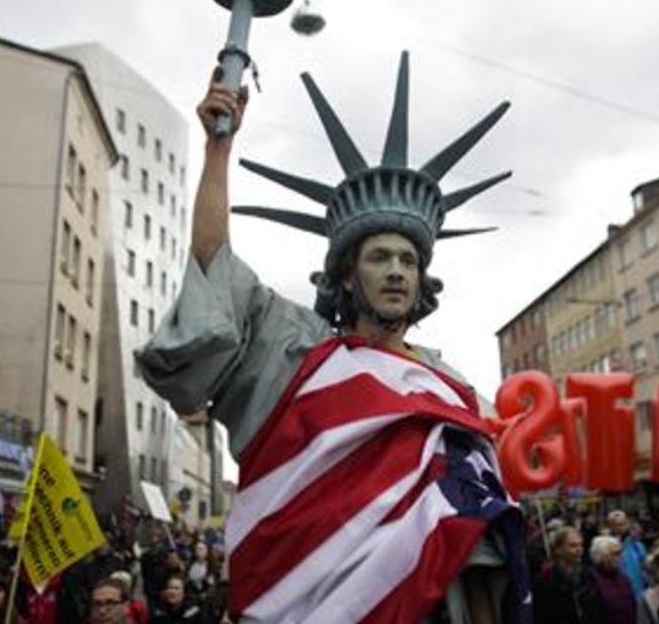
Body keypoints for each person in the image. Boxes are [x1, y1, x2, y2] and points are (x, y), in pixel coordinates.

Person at [136, 54, 525, 624]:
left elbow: (480, 539)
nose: (396, 270)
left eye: (408, 261)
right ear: (348, 273)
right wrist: (218, 153)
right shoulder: (298, 353)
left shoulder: (451, 389)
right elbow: (213, 268)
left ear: (421, 279)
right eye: (379, 257)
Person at [533, 528, 601, 623]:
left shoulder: (587, 574)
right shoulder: (545, 580)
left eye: (581, 545)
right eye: (573, 545)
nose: (579, 550)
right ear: (558, 549)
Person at [590, 535, 637, 624]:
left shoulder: (623, 578)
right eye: (615, 554)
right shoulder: (590, 580)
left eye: (620, 553)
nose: (620, 557)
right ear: (601, 556)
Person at [608, 510, 648, 598]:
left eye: (623, 524)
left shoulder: (637, 546)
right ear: (611, 526)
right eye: (616, 525)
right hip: (618, 594)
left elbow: (645, 568)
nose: (620, 527)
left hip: (639, 592)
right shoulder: (606, 547)